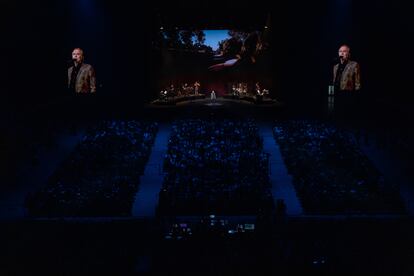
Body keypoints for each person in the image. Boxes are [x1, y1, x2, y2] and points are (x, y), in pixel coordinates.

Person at [333, 45, 361, 117]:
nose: (342, 53)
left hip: (348, 93)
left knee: (347, 114)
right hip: (337, 92)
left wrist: (357, 95)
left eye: (344, 51)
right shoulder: (335, 66)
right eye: (340, 51)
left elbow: (358, 81)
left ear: (348, 53)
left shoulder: (354, 64)